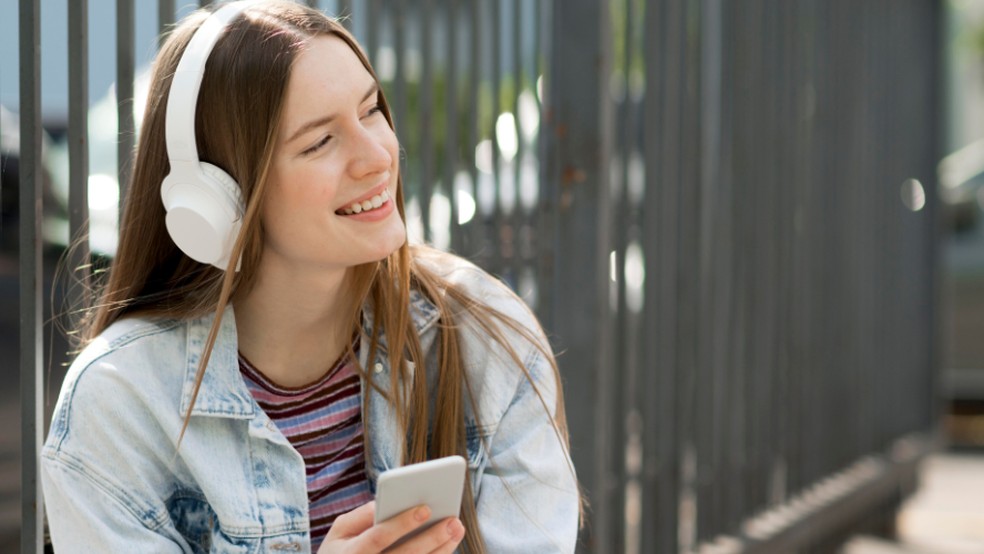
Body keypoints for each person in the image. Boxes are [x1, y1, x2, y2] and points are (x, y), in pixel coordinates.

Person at [40, 1, 579, 553]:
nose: (378, 157)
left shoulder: (486, 340)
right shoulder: (120, 407)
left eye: (370, 111)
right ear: (219, 200)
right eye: (320, 141)